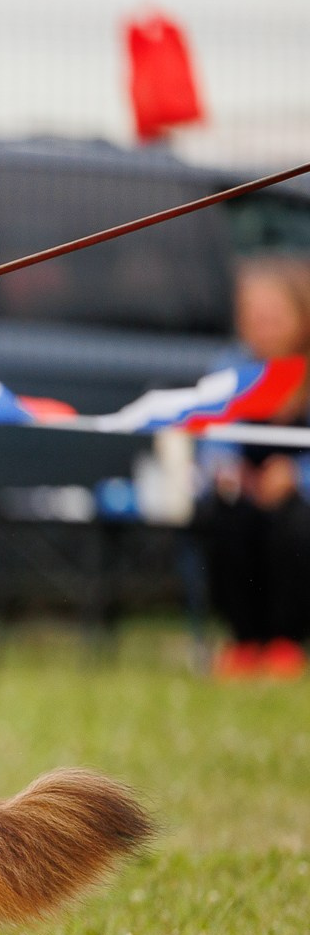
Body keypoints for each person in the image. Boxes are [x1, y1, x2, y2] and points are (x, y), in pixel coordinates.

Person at [198, 256, 310, 679]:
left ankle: (286, 641)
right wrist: (228, 472)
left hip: (297, 500)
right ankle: (243, 641)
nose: (261, 328)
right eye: (253, 318)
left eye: (273, 318)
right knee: (225, 517)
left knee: (296, 527)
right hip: (244, 493)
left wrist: (296, 475)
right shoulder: (233, 368)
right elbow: (213, 438)